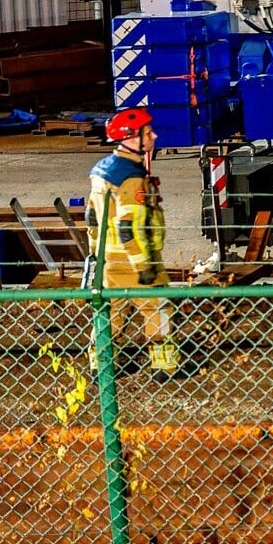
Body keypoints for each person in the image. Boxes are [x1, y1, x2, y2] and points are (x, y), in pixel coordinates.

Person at [86, 108, 181, 377]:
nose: (154, 135)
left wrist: (97, 254)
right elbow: (130, 227)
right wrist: (144, 266)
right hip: (134, 260)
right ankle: (164, 365)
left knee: (111, 312)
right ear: (130, 138)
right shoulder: (131, 178)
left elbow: (92, 217)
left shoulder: (102, 170)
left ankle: (101, 364)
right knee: (158, 307)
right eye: (147, 132)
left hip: (109, 261)